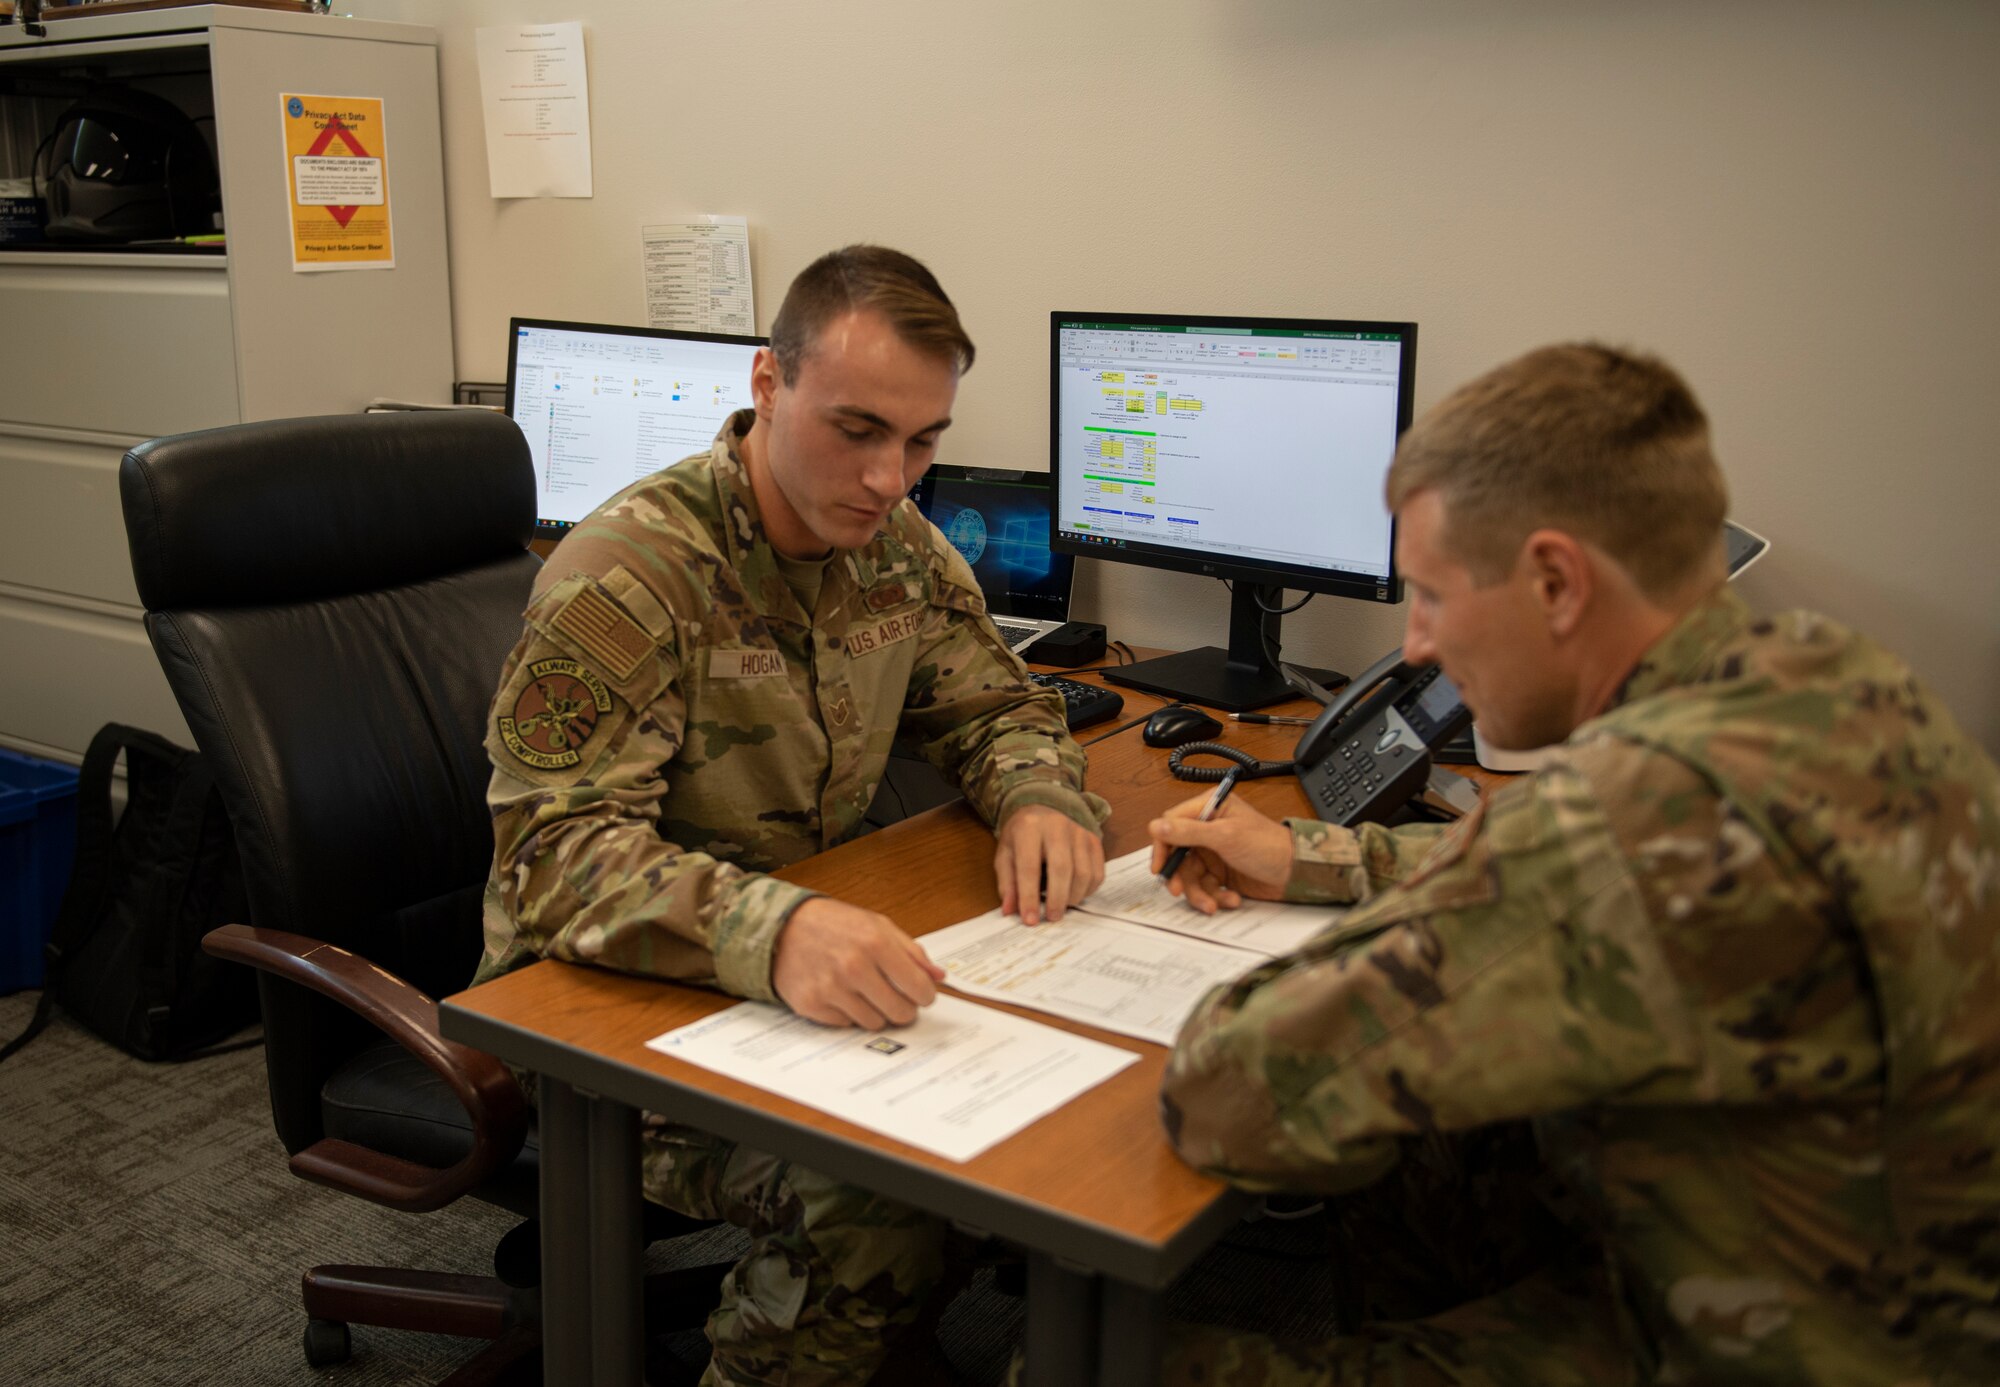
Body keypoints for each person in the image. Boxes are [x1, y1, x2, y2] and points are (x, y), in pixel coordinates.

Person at [1145, 343, 2000, 1385]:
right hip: (1902, 1304)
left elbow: (1225, 1097)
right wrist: (1312, 853)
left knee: (1101, 1362)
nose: (1415, 648)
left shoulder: (1624, 816)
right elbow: (1569, 884)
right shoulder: (1832, 679)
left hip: (1761, 1348)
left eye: (1431, 595)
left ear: (1554, 581)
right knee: (1441, 1149)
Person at [476, 245, 1107, 1384]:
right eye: (857, 429)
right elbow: (553, 858)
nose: (889, 477)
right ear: (768, 383)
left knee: (1033, 1124)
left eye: (922, 442)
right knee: (878, 1201)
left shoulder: (895, 546)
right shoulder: (632, 572)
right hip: (602, 1005)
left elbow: (997, 702)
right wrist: (775, 930)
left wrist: (1036, 794)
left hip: (795, 966)